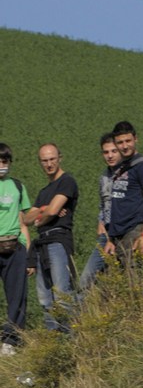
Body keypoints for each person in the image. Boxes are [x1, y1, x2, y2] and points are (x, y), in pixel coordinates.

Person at [22, 143, 78, 333]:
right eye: (45, 160)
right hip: (41, 246)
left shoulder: (67, 181)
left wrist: (43, 213)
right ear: (40, 162)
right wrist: (45, 211)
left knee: (63, 295)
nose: (49, 164)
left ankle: (71, 340)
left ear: (59, 158)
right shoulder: (44, 191)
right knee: (45, 299)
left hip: (58, 241)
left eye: (52, 159)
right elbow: (27, 219)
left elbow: (54, 210)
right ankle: (52, 341)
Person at [107, 121, 143, 266]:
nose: (124, 146)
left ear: (136, 139)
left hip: (135, 231)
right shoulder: (121, 168)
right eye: (120, 142)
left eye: (128, 141)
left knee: (136, 282)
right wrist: (111, 239)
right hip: (119, 235)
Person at [0, 144, 32, 354]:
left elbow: (23, 223)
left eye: (5, 162)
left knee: (17, 295)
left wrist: (29, 255)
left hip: (14, 245)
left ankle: (10, 341)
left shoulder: (18, 187)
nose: (1, 166)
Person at [80, 134, 120, 291]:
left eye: (113, 151)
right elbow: (103, 204)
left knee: (119, 282)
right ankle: (83, 315)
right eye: (106, 152)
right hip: (106, 235)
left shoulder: (129, 174)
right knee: (87, 279)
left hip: (123, 234)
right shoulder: (104, 177)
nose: (109, 155)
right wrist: (101, 221)